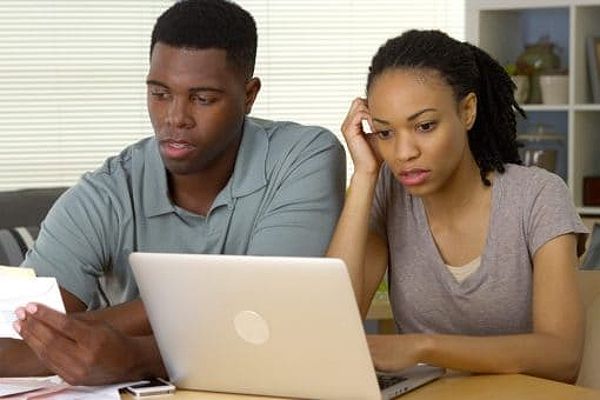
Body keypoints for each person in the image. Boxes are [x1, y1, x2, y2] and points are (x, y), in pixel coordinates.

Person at [2, 0, 345, 384]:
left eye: (203, 99)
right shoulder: (107, 192)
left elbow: (274, 314)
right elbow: (14, 338)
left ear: (249, 95)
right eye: (160, 93)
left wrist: (134, 354)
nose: (175, 117)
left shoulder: (303, 156)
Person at [327, 29, 588, 383]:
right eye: (385, 133)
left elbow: (561, 356)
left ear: (467, 111)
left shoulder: (538, 196)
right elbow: (330, 321)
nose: (404, 153)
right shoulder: (387, 191)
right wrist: (364, 175)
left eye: (424, 126)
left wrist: (425, 347)